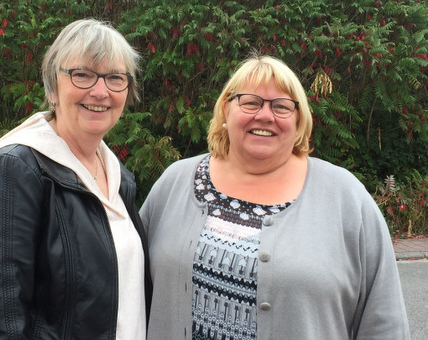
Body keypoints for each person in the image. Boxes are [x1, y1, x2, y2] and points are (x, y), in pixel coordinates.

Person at [140, 53, 410, 339]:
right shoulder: (176, 182)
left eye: (281, 106)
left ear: (299, 122)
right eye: (250, 102)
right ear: (225, 111)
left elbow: (384, 319)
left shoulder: (345, 198)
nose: (265, 115)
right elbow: (128, 287)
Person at [0, 19, 151, 339]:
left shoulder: (118, 178)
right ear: (53, 86)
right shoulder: (13, 172)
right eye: (83, 74)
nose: (100, 91)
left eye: (115, 78)